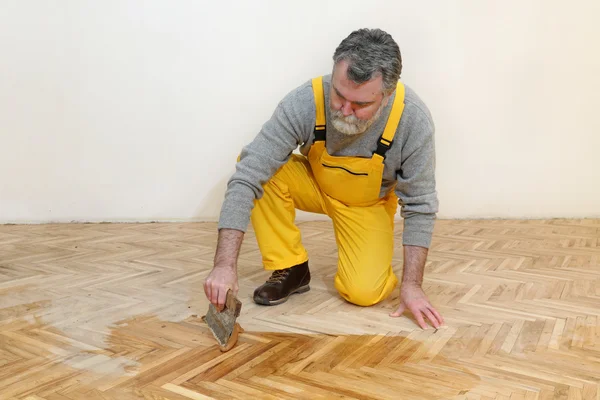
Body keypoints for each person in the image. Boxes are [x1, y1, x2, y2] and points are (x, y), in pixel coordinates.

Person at [203, 28, 444, 329]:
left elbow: (420, 205)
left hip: (366, 205)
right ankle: (290, 268)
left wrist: (412, 284)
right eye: (340, 96)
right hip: (315, 185)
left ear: (387, 95)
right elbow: (248, 174)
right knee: (257, 167)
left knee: (364, 292)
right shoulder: (306, 100)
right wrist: (224, 266)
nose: (345, 111)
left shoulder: (413, 121)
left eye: (360, 105)